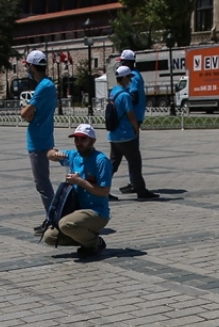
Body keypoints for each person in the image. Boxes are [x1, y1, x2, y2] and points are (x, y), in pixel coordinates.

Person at [44, 124, 111, 258]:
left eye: (83, 139)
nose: (79, 142)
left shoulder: (101, 161)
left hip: (97, 212)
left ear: (92, 141)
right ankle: (87, 241)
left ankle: (95, 243)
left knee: (66, 224)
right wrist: (55, 154)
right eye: (76, 139)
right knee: (49, 237)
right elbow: (49, 154)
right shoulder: (74, 155)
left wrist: (80, 181)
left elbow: (104, 191)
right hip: (78, 210)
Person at [19, 50, 56, 235]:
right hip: (44, 137)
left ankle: (53, 220)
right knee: (43, 182)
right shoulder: (48, 85)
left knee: (42, 184)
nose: (27, 69)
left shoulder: (43, 86)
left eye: (28, 66)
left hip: (38, 140)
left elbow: (26, 113)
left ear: (33, 67)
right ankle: (52, 217)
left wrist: (24, 111)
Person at [108, 67, 156, 200]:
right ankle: (141, 191)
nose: (130, 80)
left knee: (112, 165)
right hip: (126, 135)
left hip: (114, 135)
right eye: (129, 77)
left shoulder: (113, 92)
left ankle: (102, 190)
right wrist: (136, 128)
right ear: (123, 78)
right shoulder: (124, 95)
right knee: (135, 163)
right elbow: (130, 114)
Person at [116, 48, 147, 196]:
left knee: (131, 155)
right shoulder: (136, 75)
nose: (120, 64)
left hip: (132, 119)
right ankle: (135, 183)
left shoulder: (133, 77)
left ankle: (136, 184)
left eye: (122, 62)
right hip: (131, 119)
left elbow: (133, 96)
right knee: (129, 155)